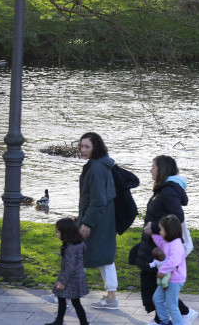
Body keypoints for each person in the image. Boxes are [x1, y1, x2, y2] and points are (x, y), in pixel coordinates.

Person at [133, 155, 197, 325]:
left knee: (154, 280)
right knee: (153, 280)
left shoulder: (168, 190)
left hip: (161, 242)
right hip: (156, 241)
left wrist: (154, 227)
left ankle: (176, 315)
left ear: (162, 169)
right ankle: (164, 318)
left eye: (153, 167)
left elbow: (177, 216)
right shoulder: (164, 188)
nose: (150, 170)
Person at [78, 132, 120, 310]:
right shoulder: (103, 164)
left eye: (87, 146)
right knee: (105, 257)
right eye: (81, 146)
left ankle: (62, 291)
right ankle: (111, 297)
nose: (83, 150)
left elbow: (98, 199)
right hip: (104, 218)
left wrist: (86, 222)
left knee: (77, 253)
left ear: (96, 147)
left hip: (97, 219)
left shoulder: (96, 167)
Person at [45, 218, 89, 325]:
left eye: (58, 231)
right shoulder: (78, 244)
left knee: (75, 302)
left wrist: (62, 282)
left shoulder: (71, 248)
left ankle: (83, 323)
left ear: (66, 233)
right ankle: (59, 321)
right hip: (75, 277)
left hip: (71, 279)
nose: (57, 234)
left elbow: (69, 267)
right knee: (63, 298)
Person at [152, 214, 188, 325]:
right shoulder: (168, 243)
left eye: (161, 230)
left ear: (169, 231)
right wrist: (152, 234)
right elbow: (160, 242)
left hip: (175, 280)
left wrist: (162, 271)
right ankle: (165, 321)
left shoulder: (176, 244)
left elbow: (174, 261)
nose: (160, 232)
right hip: (167, 280)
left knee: (172, 305)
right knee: (157, 298)